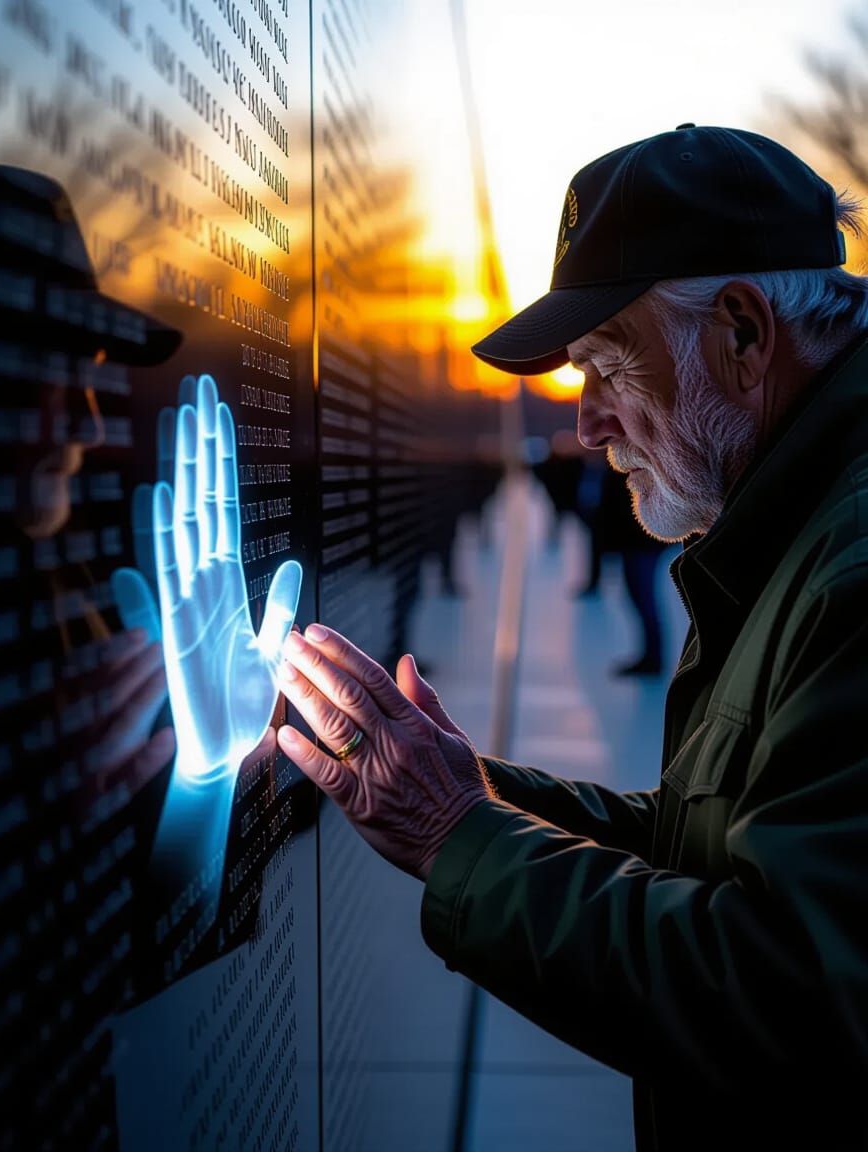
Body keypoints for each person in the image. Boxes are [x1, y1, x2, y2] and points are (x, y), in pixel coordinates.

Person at [266, 125, 868, 1150]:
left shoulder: (848, 574)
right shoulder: (794, 528)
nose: (584, 424)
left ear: (740, 333)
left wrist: (457, 836)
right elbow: (718, 846)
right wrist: (473, 793)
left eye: (604, 366)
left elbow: (795, 998)